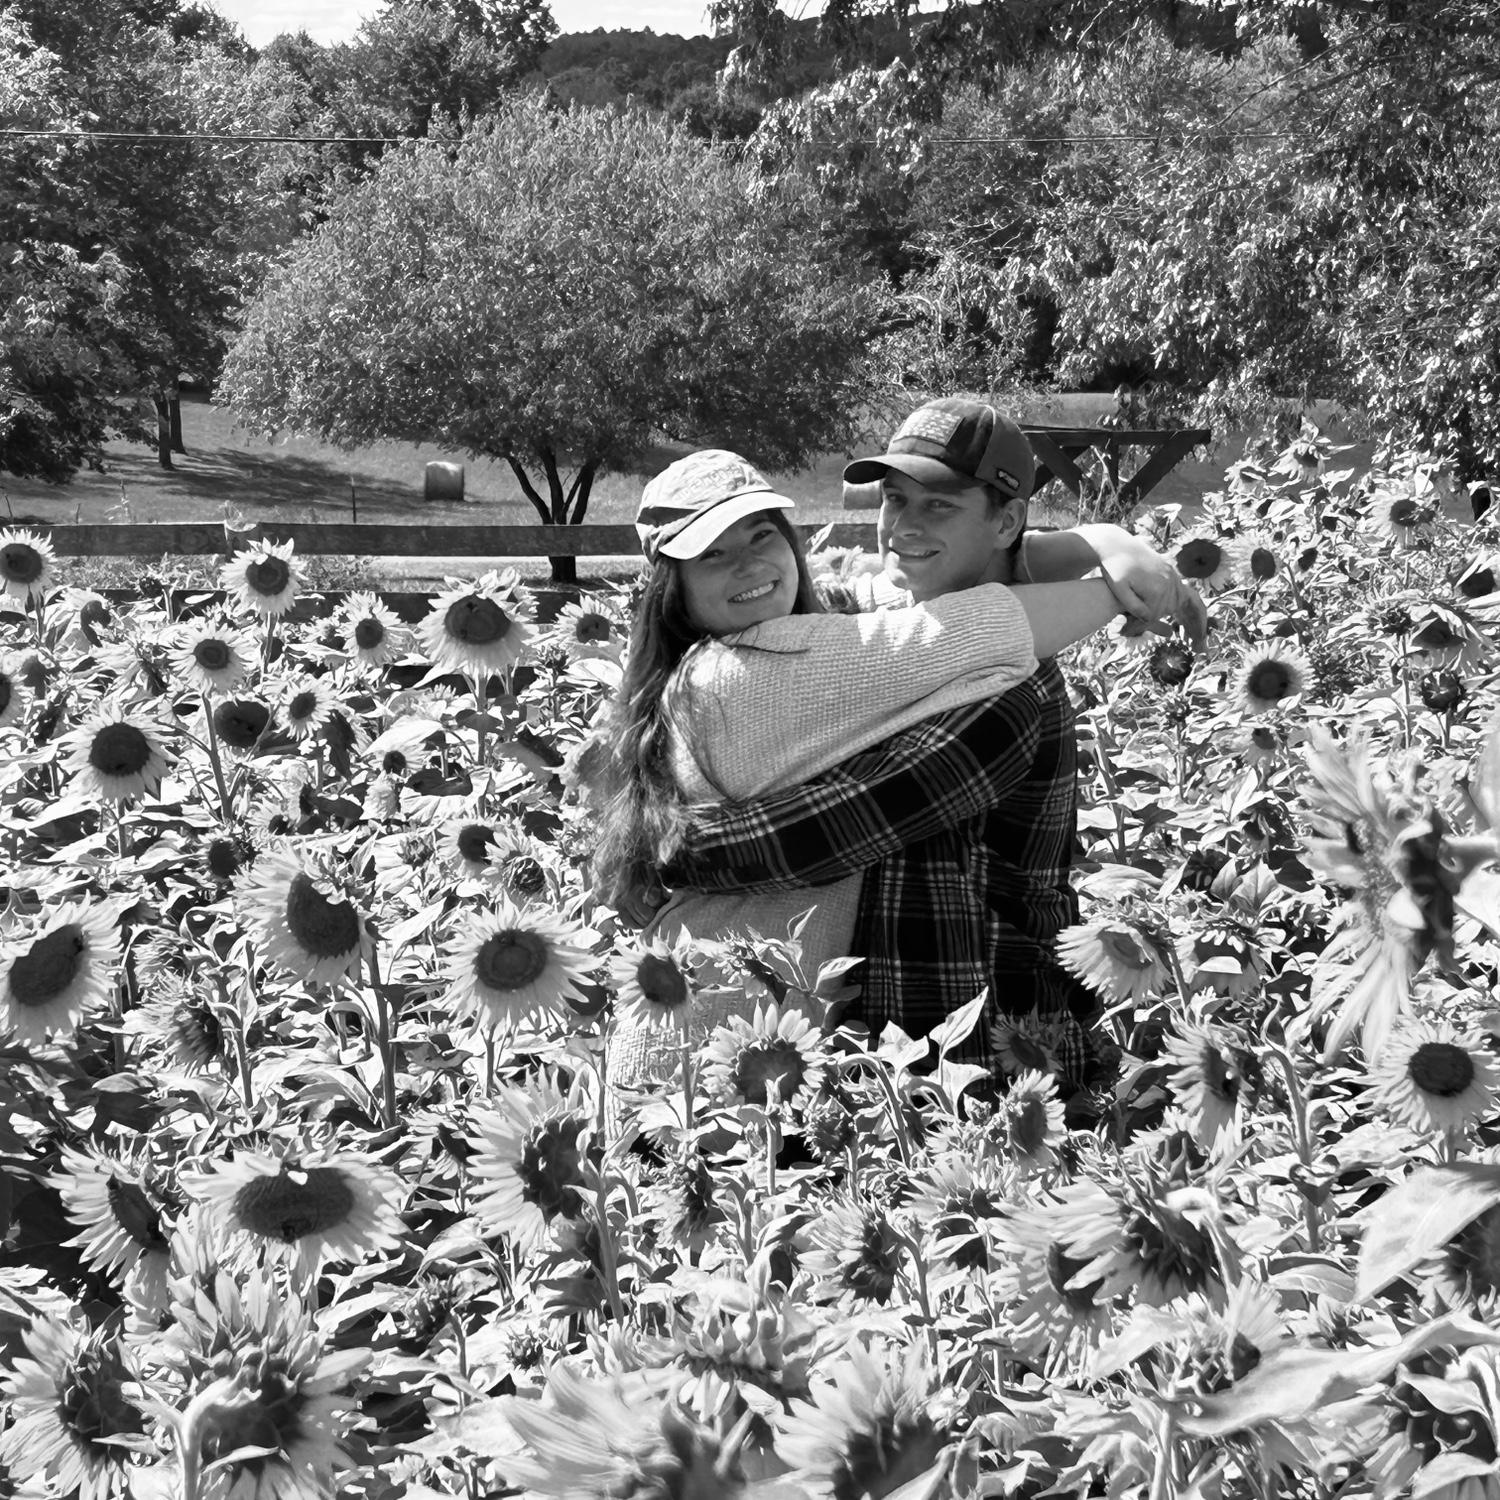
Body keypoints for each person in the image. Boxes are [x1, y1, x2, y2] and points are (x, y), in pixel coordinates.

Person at [576, 432, 1190, 1090]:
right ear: (674, 585)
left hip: (762, 1050)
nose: (748, 565)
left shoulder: (800, 641)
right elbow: (962, 628)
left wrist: (1103, 542)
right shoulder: (742, 674)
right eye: (712, 554)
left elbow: (906, 601)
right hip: (706, 1068)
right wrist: (1130, 590)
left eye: (761, 536)